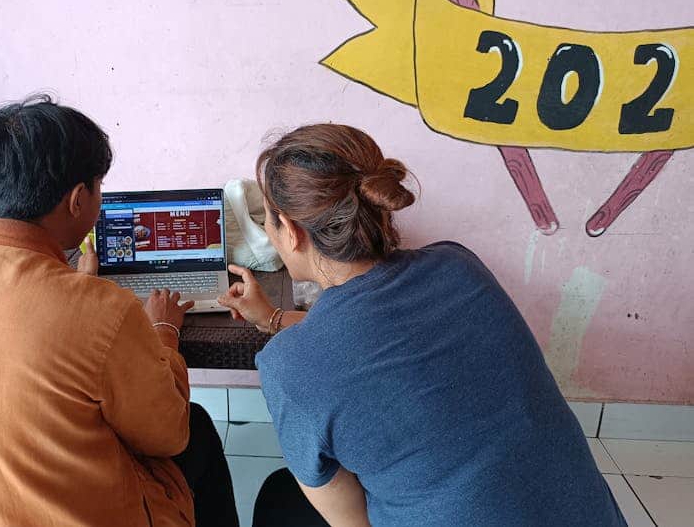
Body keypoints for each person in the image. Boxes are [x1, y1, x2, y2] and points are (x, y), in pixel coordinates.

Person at [218, 124, 627, 527]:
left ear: (289, 230)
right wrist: (273, 318)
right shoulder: (458, 265)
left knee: (278, 496)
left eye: (266, 219)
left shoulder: (288, 366)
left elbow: (353, 523)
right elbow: (375, 338)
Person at [0, 94, 238, 527]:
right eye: (98, 186)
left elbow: (19, 329)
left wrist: (77, 286)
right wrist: (164, 329)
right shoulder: (104, 310)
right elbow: (167, 434)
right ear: (77, 200)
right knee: (195, 428)